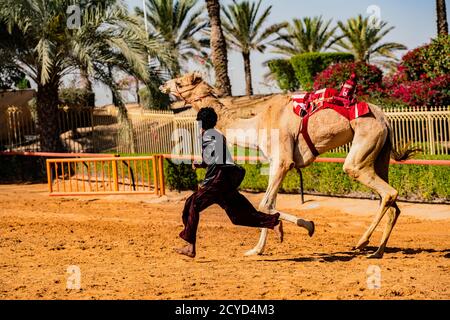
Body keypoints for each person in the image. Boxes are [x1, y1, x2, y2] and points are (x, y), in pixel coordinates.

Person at [174, 107, 314, 258]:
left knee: (192, 204)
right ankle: (273, 222)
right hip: (224, 181)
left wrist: (199, 163)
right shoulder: (217, 135)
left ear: (201, 123)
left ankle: (190, 247)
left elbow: (213, 160)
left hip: (217, 180)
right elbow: (215, 158)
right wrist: (202, 163)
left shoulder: (208, 136)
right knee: (239, 216)